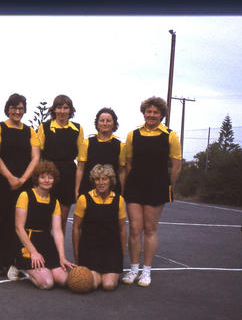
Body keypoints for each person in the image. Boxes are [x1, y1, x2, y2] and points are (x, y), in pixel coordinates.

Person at [123, 96, 182, 287]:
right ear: (144, 113)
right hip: (135, 186)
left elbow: (176, 166)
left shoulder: (170, 135)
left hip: (157, 187)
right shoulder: (133, 135)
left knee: (150, 229)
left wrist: (167, 185)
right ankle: (133, 269)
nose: (151, 115)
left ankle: (146, 272)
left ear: (162, 115)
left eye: (155, 112)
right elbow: (129, 163)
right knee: (134, 228)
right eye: (148, 111)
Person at [0, 93, 40, 277]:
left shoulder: (30, 131)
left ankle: (14, 260)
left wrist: (23, 179)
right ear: (8, 109)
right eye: (14, 108)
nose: (17, 111)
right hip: (3, 183)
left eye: (20, 108)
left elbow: (35, 158)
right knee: (0, 222)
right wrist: (10, 178)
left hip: (23, 184)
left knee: (19, 223)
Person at [15, 160, 75, 289]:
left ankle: (44, 269)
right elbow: (19, 228)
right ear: (37, 179)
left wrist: (62, 257)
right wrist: (34, 253)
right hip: (27, 242)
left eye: (50, 177)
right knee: (47, 283)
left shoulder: (55, 202)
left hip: (46, 242)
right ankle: (21, 267)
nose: (47, 180)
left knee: (64, 280)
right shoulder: (25, 195)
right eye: (43, 177)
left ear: (54, 180)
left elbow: (58, 231)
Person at [72, 164, 126, 291]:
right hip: (90, 250)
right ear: (93, 181)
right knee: (92, 284)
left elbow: (123, 229)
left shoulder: (119, 200)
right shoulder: (83, 199)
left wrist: (121, 255)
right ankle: (98, 274)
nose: (101, 182)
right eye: (97, 179)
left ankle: (110, 275)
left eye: (104, 179)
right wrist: (77, 256)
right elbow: (75, 228)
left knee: (108, 285)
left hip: (111, 251)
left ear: (111, 181)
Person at [38, 94, 84, 234]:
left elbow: (82, 160)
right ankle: (43, 250)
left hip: (68, 175)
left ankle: (59, 254)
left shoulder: (77, 129)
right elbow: (37, 155)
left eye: (66, 108)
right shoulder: (44, 127)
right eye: (59, 107)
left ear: (70, 110)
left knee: (62, 219)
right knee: (44, 217)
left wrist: (77, 188)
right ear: (54, 109)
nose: (62, 111)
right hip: (47, 175)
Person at [75, 107, 126, 198]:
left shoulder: (121, 145)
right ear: (97, 124)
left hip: (112, 191)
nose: (105, 123)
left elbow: (121, 171)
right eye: (102, 120)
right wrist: (76, 190)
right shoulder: (86, 143)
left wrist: (122, 192)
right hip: (88, 189)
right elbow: (80, 168)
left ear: (114, 124)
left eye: (108, 121)